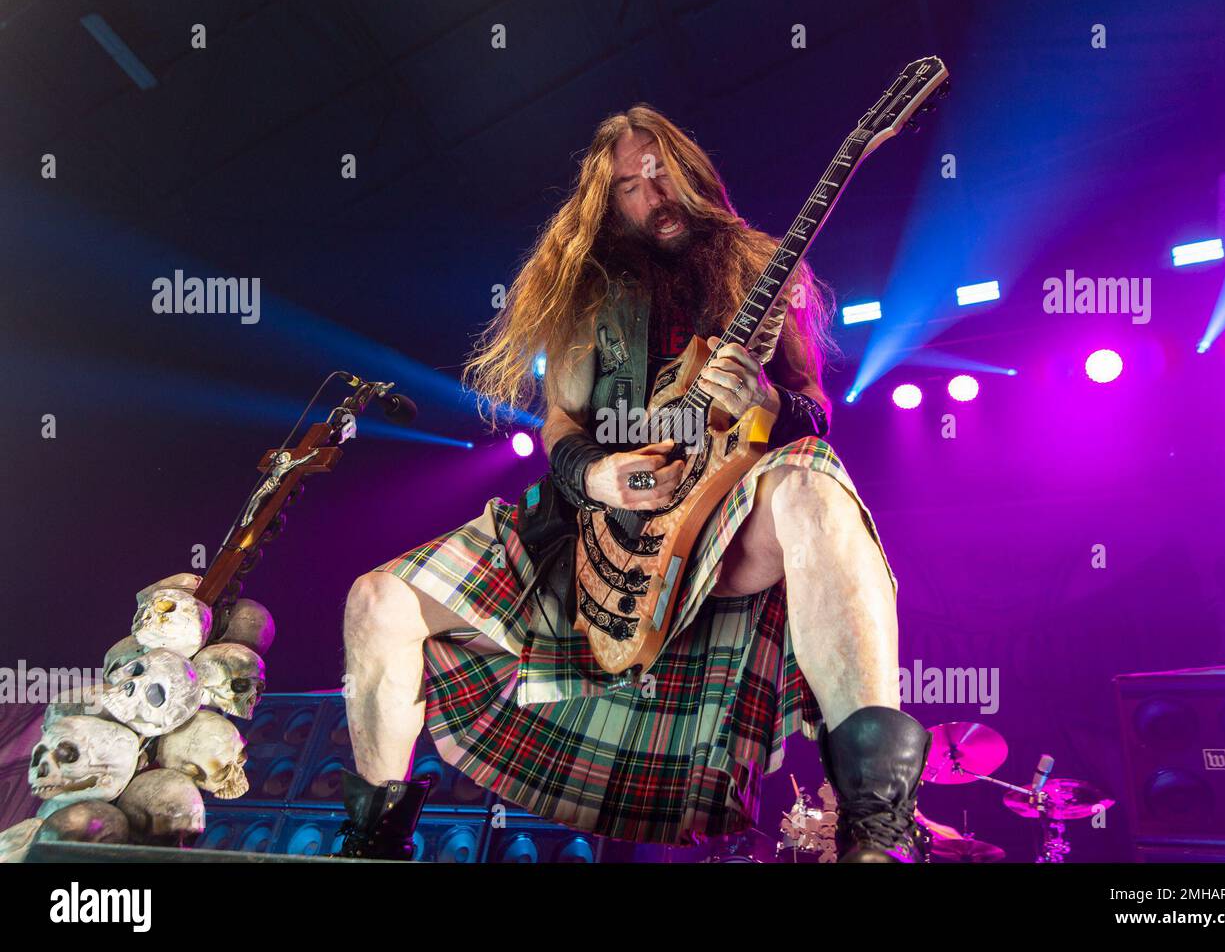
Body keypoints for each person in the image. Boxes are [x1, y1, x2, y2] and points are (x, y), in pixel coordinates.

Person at [333, 105, 931, 862]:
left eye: (662, 172)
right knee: (376, 600)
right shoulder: (583, 287)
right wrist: (599, 474)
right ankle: (370, 846)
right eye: (629, 186)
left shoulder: (759, 263)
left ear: (692, 171)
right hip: (592, 521)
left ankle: (877, 829)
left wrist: (771, 405)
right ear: (605, 201)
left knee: (814, 483)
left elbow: (814, 409)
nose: (654, 195)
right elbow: (561, 425)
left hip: (726, 513)